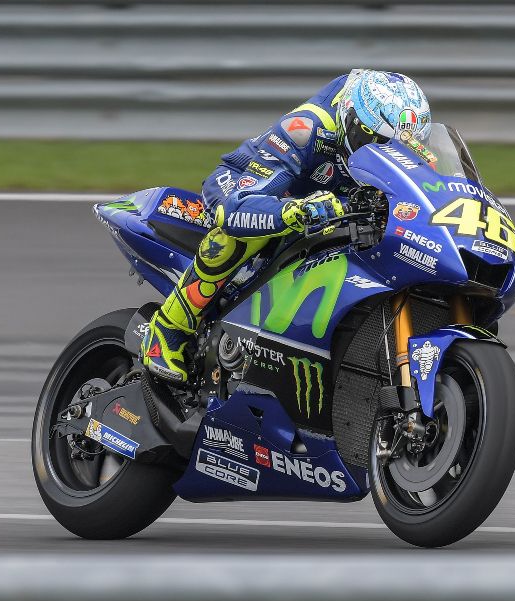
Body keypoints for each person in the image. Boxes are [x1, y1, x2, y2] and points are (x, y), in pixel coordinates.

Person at [140, 69, 432, 384]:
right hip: (250, 189)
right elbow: (240, 203)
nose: (388, 153)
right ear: (351, 123)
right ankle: (168, 329)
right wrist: (296, 210)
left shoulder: (400, 142)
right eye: (376, 143)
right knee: (235, 232)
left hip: (331, 206)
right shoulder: (307, 129)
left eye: (400, 147)